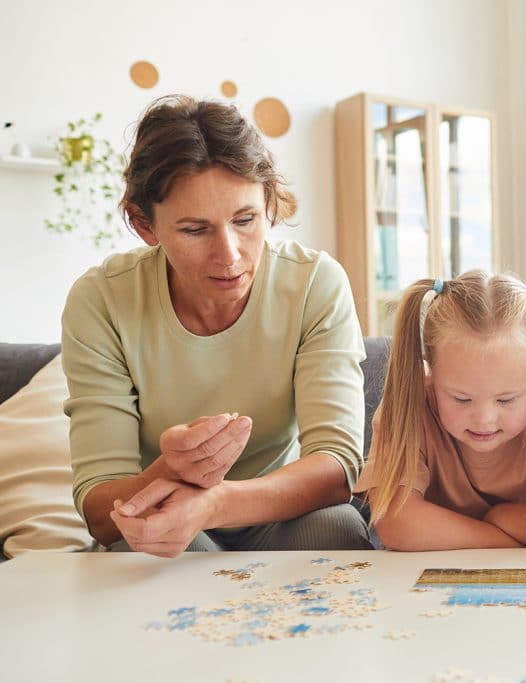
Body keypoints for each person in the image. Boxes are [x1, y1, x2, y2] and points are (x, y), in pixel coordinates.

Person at [61, 95, 372, 557]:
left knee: (337, 527)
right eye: (194, 230)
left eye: (245, 220)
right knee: (139, 553)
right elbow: (99, 510)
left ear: (267, 202)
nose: (229, 255)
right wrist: (169, 472)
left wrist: (215, 503)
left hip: (274, 513)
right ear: (144, 224)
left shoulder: (313, 283)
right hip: (165, 517)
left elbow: (338, 467)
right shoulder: (101, 300)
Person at [353, 271, 526, 551]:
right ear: (430, 366)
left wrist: (499, 515)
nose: (484, 419)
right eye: (461, 399)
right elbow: (398, 525)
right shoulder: (408, 404)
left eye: (506, 400)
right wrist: (509, 539)